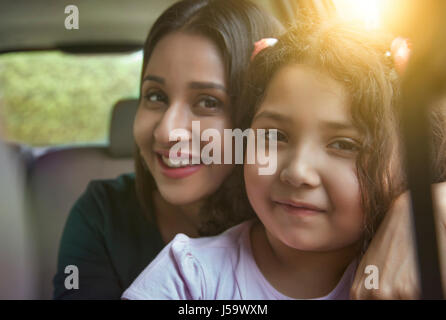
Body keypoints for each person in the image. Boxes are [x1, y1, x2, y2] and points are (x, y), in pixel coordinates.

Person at [121, 16, 446, 299]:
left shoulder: (418, 271)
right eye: (275, 136)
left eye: (345, 145)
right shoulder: (188, 278)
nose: (297, 171)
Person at [52, 0, 282, 299]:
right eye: (156, 96)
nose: (166, 131)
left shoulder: (295, 221)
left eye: (208, 102)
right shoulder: (102, 214)